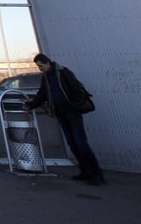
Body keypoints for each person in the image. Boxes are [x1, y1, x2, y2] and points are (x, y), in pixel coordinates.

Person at [23, 53, 105, 185]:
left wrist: (73, 106)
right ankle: (85, 171)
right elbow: (42, 94)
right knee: (72, 143)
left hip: (72, 113)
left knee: (81, 143)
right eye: (38, 66)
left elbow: (77, 90)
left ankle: (96, 173)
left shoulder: (63, 73)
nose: (40, 69)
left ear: (47, 63)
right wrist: (31, 104)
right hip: (61, 113)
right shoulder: (46, 77)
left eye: (41, 66)